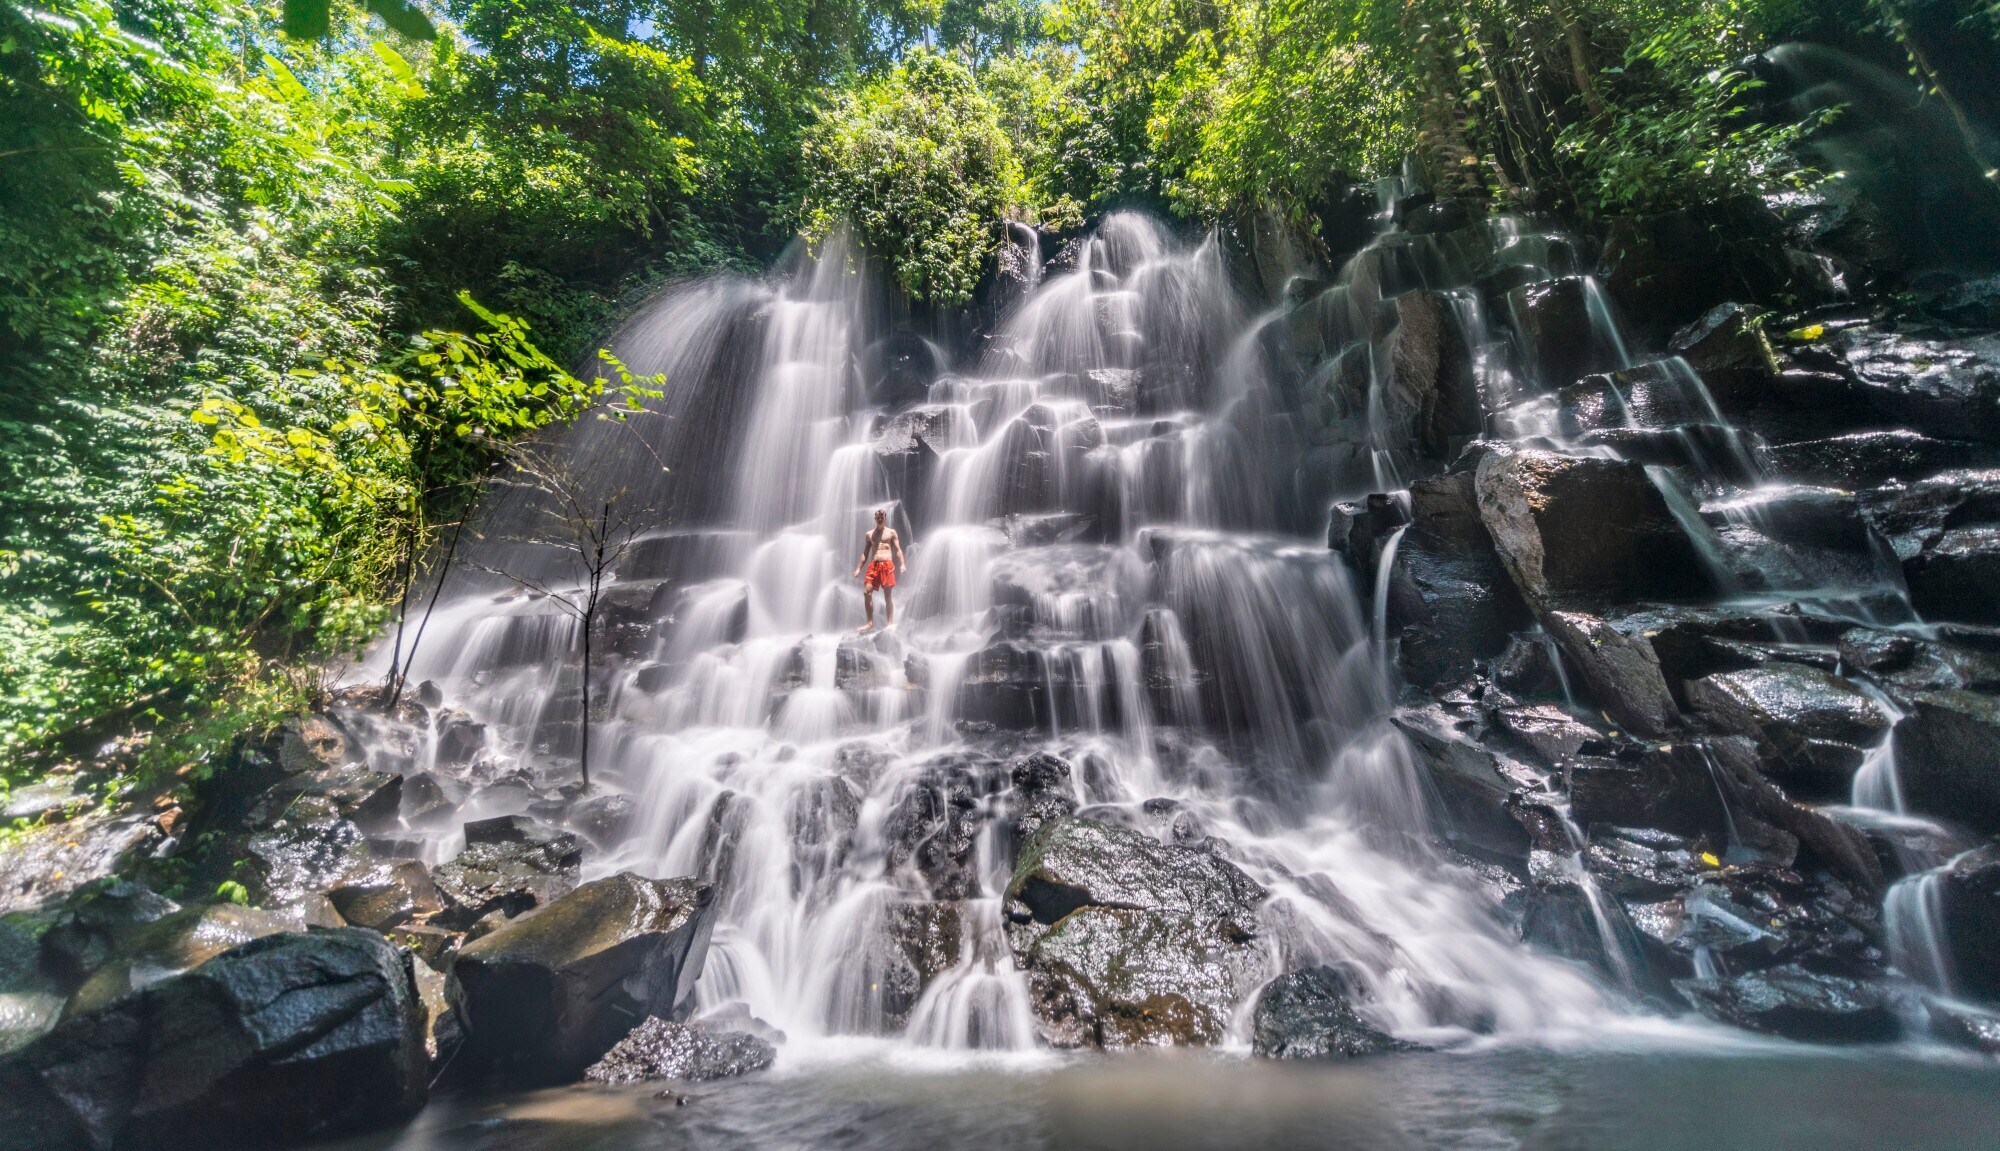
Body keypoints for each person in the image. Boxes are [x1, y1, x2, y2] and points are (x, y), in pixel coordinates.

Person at [853, 508, 905, 633]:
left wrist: (902, 564)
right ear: (875, 518)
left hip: (887, 565)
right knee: (866, 592)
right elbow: (865, 553)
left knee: (887, 595)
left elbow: (898, 550)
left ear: (885, 517)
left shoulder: (892, 533)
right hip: (874, 565)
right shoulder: (870, 534)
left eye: (882, 516)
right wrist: (858, 568)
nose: (880, 518)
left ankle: (889, 623)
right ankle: (870, 623)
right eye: (878, 517)